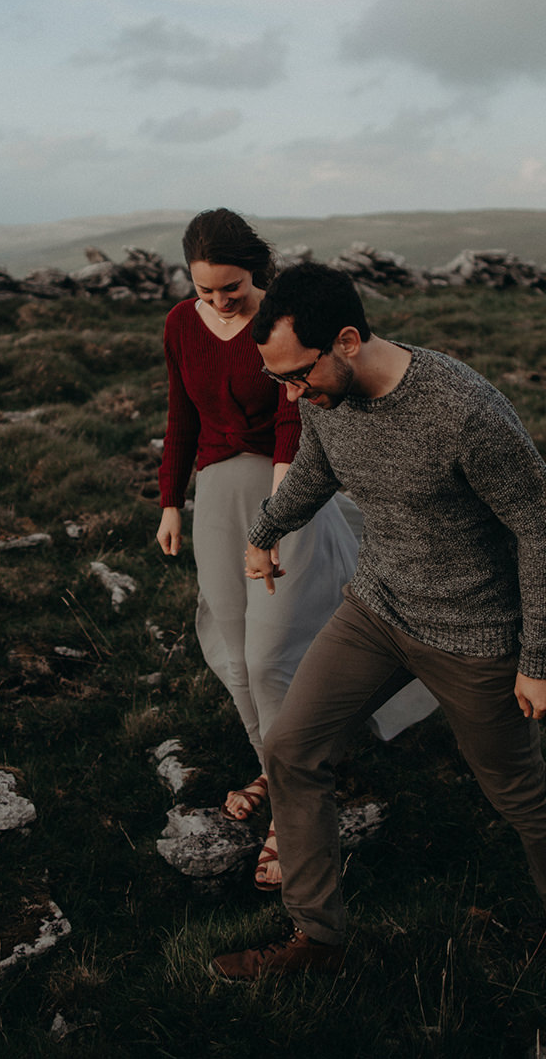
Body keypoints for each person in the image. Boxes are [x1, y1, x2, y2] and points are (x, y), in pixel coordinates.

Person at [211, 261, 546, 979]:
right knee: (292, 749)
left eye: (298, 375)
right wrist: (263, 532)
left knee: (516, 788)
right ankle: (316, 942)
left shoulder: (463, 411)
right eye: (278, 380)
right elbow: (316, 472)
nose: (292, 395)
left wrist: (541, 658)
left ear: (348, 340)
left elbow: (543, 530)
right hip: (378, 609)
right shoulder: (323, 400)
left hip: (475, 637)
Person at [155, 209, 360, 891]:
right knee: (237, 655)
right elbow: (181, 413)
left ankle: (299, 806)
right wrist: (169, 503)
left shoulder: (278, 323)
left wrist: (272, 526)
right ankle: (279, 770)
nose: (217, 302)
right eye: (204, 289)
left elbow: (289, 421)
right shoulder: (182, 324)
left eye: (230, 288)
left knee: (277, 654)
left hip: (283, 492)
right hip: (215, 495)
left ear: (258, 274)